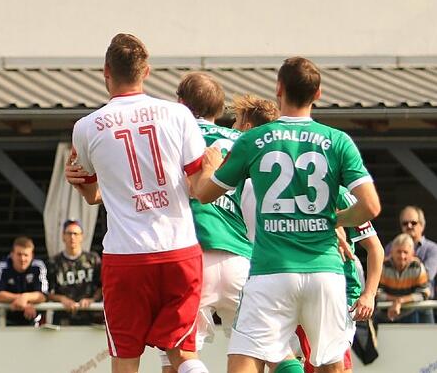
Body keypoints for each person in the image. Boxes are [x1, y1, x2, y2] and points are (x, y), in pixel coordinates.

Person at [193, 56, 381, 373]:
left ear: (278, 89)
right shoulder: (338, 141)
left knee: (245, 360)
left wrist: (209, 169)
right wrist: (334, 220)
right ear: (318, 94)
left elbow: (205, 194)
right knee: (330, 365)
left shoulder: (253, 140)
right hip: (325, 271)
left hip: (271, 271)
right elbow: (371, 206)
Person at [67, 34, 210, 373]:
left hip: (126, 257)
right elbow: (198, 186)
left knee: (126, 359)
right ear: (146, 71)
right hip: (179, 251)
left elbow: (91, 194)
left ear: (106, 72)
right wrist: (214, 166)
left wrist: (84, 186)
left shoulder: (86, 127)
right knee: (181, 354)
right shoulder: (178, 115)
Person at [156, 73, 254, 372]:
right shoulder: (242, 141)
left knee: (177, 357)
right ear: (219, 110)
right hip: (241, 258)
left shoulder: (168, 137)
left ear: (180, 103)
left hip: (190, 257)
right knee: (255, 350)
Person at [295, 188, 385, 373]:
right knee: (292, 361)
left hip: (338, 295)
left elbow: (375, 248)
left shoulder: (342, 195)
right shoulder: (286, 190)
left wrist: (369, 294)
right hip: (296, 288)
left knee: (333, 365)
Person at [230, 94, 281, 243]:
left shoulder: (243, 182)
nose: (232, 127)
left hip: (249, 257)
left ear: (247, 128)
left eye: (236, 121)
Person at [47, 220, 101, 326]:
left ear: (82, 236)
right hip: (63, 318)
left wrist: (92, 299)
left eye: (75, 234)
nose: (72, 237)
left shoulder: (93, 259)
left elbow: (102, 286)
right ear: (63, 236)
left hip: (91, 318)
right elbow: (48, 293)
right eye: (69, 233)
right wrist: (62, 299)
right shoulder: (54, 262)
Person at [0, 236, 48, 326]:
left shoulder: (38, 266)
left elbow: (43, 295)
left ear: (32, 256)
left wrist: (25, 297)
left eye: (26, 255)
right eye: (19, 254)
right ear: (12, 254)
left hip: (32, 322)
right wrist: (22, 301)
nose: (22, 259)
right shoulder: (3, 266)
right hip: (5, 322)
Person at [377, 233, 431, 323]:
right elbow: (376, 293)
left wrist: (401, 301)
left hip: (412, 310)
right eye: (399, 252)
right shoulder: (384, 266)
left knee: (426, 311)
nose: (402, 256)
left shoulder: (417, 266)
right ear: (392, 252)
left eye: (405, 252)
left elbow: (424, 293)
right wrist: (396, 301)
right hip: (386, 311)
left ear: (412, 253)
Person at [387, 206, 437, 298]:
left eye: (413, 223)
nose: (409, 226)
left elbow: (427, 276)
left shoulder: (433, 249)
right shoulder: (391, 246)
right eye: (405, 223)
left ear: (422, 225)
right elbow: (382, 274)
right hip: (393, 304)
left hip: (421, 306)